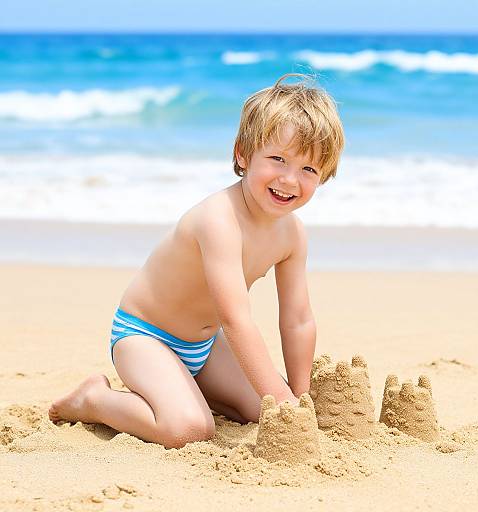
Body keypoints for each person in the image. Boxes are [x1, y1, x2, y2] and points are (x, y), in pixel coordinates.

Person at [48, 73, 344, 449]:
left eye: (308, 169)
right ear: (243, 154)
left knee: (263, 407)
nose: (289, 179)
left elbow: (298, 319)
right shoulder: (218, 220)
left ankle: (187, 388)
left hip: (204, 345)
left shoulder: (292, 233)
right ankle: (94, 400)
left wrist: (299, 400)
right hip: (144, 336)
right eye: (277, 159)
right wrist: (284, 403)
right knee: (188, 429)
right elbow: (236, 321)